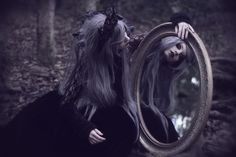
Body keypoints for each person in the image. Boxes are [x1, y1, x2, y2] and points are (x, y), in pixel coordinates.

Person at [0, 7, 194, 157]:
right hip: (78, 107)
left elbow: (156, 35)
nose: (128, 38)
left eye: (127, 34)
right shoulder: (88, 65)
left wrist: (181, 21)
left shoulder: (128, 46)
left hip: (116, 103)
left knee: (153, 124)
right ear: (110, 45)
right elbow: (66, 100)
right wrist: (85, 128)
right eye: (123, 37)